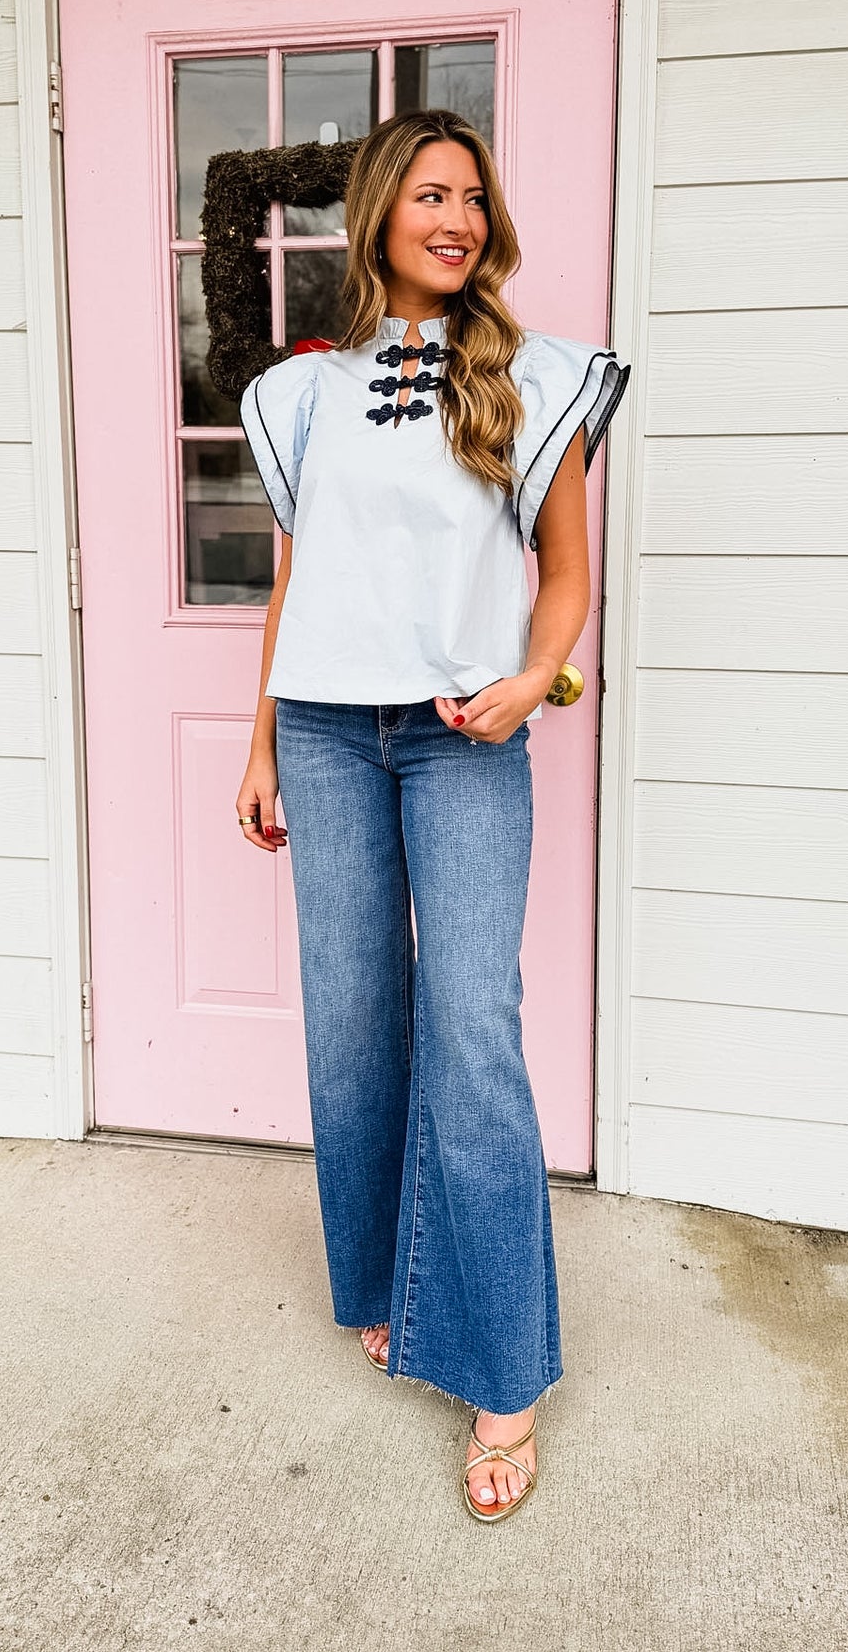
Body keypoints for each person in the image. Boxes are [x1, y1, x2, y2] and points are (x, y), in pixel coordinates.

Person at [235, 107, 630, 1522]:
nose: (456, 218)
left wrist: (536, 678)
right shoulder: (301, 395)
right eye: (429, 195)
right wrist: (262, 739)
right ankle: (386, 1282)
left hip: (465, 735)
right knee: (351, 1021)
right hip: (331, 734)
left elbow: (568, 573)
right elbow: (298, 581)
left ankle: (504, 1376)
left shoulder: (534, 375)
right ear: (379, 216)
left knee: (469, 1030)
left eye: (473, 197)